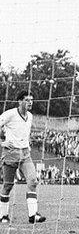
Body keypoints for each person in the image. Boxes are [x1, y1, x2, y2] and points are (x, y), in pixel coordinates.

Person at [0, 91, 46, 224]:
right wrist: (2, 142)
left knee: (33, 180)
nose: (30, 102)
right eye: (26, 100)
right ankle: (3, 215)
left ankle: (33, 215)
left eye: (31, 100)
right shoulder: (10, 114)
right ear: (19, 101)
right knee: (8, 186)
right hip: (10, 153)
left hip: (25, 154)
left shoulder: (30, 116)